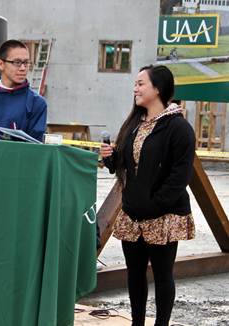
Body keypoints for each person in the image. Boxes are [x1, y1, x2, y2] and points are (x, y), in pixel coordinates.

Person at [100, 65, 195, 326]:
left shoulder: (179, 128)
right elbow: (128, 164)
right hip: (133, 214)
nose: (135, 88)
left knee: (163, 275)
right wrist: (111, 159)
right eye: (135, 83)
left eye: (141, 83)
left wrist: (154, 205)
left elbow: (180, 176)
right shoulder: (134, 123)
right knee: (135, 274)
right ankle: (137, 323)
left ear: (158, 89)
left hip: (163, 216)